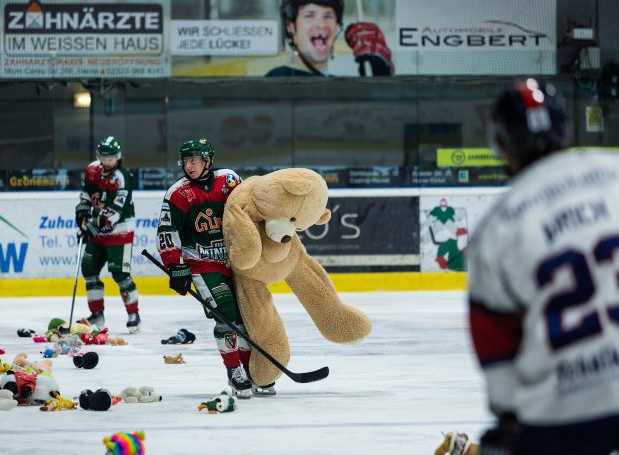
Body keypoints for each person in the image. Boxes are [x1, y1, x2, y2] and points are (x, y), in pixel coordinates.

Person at [469, 78, 619, 455]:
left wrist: (509, 419)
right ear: (566, 129)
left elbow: (495, 343)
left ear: (502, 145)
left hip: (564, 401)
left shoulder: (497, 226)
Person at [157, 138, 271, 399]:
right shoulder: (177, 193)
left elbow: (248, 211)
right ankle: (234, 370)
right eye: (186, 161)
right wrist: (175, 266)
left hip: (235, 261)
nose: (189, 165)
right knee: (227, 315)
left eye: (194, 160)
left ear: (208, 160)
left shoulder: (229, 180)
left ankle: (251, 371)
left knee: (246, 317)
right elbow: (167, 232)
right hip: (202, 263)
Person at [75, 136, 140, 333]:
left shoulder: (122, 177)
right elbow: (86, 193)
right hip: (98, 232)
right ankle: (97, 315)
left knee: (120, 274)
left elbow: (114, 211)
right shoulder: (92, 169)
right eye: (104, 157)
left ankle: (133, 315)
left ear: (118, 157)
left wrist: (91, 227)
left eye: (111, 158)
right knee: (88, 268)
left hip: (119, 231)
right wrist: (82, 213)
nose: (107, 161)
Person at [266, 0, 393, 77]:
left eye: (328, 16)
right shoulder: (279, 78)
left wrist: (381, 75)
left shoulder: (341, 84)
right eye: (309, 16)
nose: (321, 24)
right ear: (291, 27)